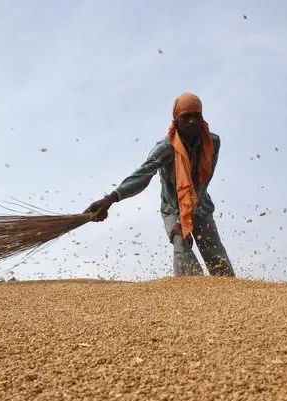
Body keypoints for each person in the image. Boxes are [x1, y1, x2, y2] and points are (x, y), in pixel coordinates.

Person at [84, 92, 235, 277]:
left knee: (214, 253)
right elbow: (142, 175)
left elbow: (203, 182)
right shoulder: (166, 148)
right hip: (173, 208)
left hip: (200, 204)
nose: (192, 121)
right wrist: (110, 199)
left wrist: (185, 220)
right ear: (176, 120)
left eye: (197, 115)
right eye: (186, 116)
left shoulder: (212, 142)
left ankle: (233, 298)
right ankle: (193, 299)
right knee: (182, 247)